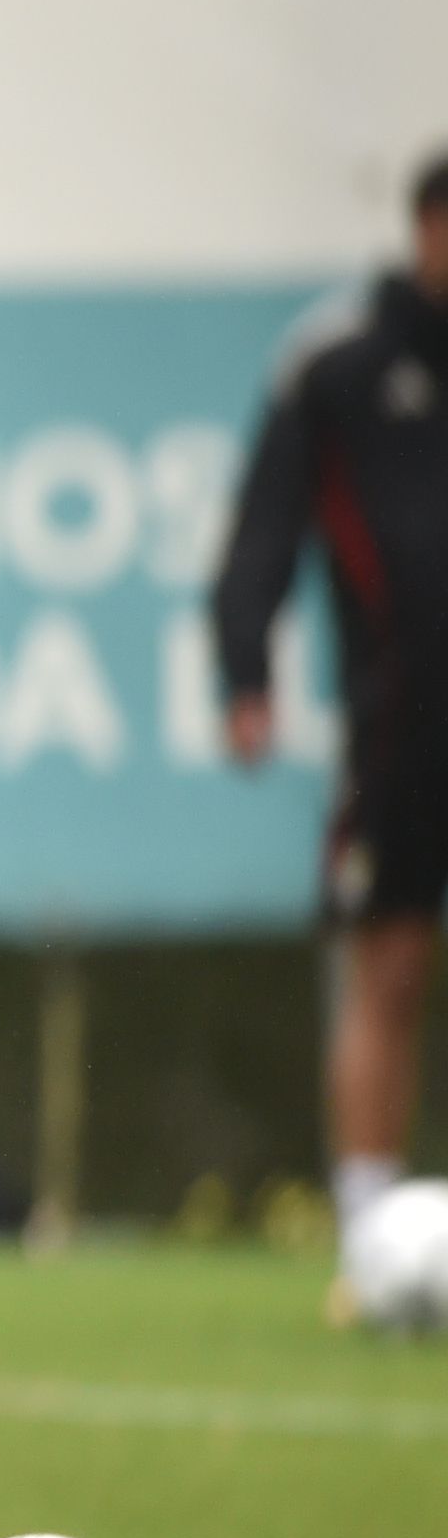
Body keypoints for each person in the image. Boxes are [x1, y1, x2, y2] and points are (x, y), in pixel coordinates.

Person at [209, 150, 448, 1308]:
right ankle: (366, 1228)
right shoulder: (339, 363)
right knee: (389, 966)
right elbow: (262, 526)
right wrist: (242, 667)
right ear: (427, 229)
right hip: (399, 722)